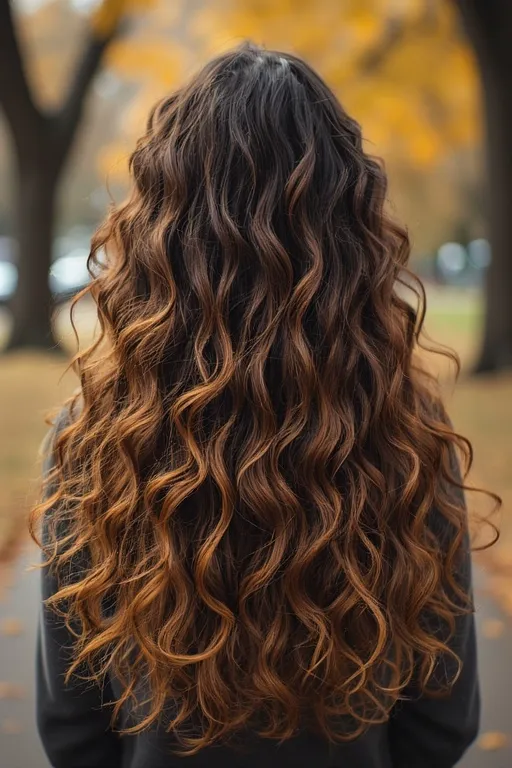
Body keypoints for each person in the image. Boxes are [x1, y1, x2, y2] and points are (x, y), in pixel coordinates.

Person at [31, 42, 496, 768]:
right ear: (349, 225)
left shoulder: (92, 442)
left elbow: (71, 727)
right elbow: (443, 722)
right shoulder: (407, 439)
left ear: (163, 224)